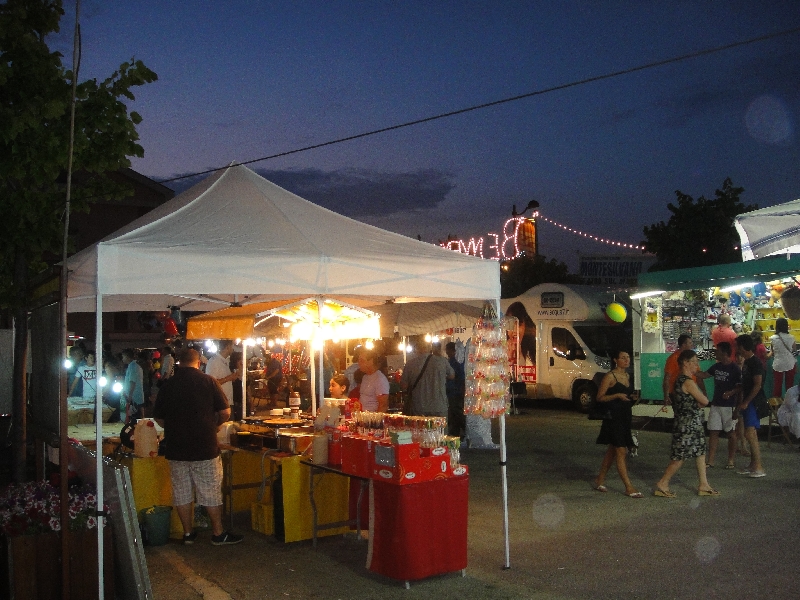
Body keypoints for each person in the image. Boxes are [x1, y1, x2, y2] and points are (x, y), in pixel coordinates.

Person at [153, 348, 243, 545]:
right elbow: (226, 412)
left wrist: (174, 427)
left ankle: (188, 534)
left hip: (176, 448)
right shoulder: (209, 381)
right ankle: (218, 534)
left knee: (182, 491)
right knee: (210, 490)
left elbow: (158, 418)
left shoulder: (168, 385)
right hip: (205, 446)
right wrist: (214, 425)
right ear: (197, 363)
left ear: (179, 363)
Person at [654, 349, 718, 498]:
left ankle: (704, 484)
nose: (697, 365)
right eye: (694, 362)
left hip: (690, 422)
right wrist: (699, 400)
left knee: (700, 452)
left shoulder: (681, 380)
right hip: (687, 424)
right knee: (679, 457)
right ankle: (663, 483)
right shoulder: (687, 382)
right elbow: (704, 401)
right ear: (685, 363)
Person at [593, 350, 641, 498]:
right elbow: (600, 397)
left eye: (628, 358)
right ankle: (628, 486)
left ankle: (599, 479)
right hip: (613, 417)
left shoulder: (627, 376)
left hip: (625, 415)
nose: (627, 360)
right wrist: (617, 395)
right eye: (623, 358)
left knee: (613, 450)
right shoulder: (610, 376)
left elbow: (628, 396)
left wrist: (632, 397)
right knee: (621, 450)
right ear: (616, 360)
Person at [695, 342, 740, 469]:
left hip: (729, 405)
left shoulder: (735, 368)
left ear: (724, 353)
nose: (715, 353)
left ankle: (730, 460)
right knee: (713, 431)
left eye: (717, 351)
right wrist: (693, 370)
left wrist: (731, 393)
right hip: (716, 403)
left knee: (731, 433)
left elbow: (740, 387)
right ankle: (711, 460)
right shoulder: (716, 366)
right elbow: (704, 375)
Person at [733, 334, 766, 478]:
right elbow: (747, 384)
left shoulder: (755, 363)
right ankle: (754, 464)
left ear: (742, 347)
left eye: (737, 346)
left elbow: (757, 385)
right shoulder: (747, 362)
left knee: (750, 434)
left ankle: (758, 466)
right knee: (749, 432)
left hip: (753, 401)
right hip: (748, 400)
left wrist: (746, 401)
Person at [400, 341, 454, 417]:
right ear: (430, 348)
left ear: (416, 350)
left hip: (419, 407)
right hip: (439, 406)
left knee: (421, 428)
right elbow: (452, 375)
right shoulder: (442, 361)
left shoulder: (410, 364)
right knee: (440, 428)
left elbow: (404, 385)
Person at [206, 340, 241, 407]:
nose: (233, 348)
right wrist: (228, 378)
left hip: (228, 401)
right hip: (219, 404)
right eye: (232, 346)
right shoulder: (214, 362)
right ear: (227, 347)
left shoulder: (226, 360)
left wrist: (233, 377)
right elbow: (211, 383)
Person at [662, 334, 694, 405]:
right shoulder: (673, 358)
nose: (692, 345)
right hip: (677, 393)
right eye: (690, 343)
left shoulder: (692, 357)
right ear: (683, 345)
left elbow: (697, 374)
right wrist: (666, 395)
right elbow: (667, 378)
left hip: (691, 391)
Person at [769, 317, 796, 397]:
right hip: (790, 363)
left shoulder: (773, 338)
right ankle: (789, 403)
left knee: (777, 386)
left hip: (778, 364)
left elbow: (772, 351)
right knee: (789, 386)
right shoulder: (791, 337)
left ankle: (777, 406)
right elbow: (794, 350)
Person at [445, 341, 466, 437]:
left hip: (454, 391)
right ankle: (457, 431)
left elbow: (460, 376)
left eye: (447, 350)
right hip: (454, 390)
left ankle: (459, 430)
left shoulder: (454, 362)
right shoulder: (456, 361)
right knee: (455, 412)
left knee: (456, 412)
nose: (446, 352)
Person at [121, 348, 145, 421]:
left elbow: (132, 382)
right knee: (139, 414)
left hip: (135, 396)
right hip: (137, 395)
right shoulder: (135, 366)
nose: (122, 359)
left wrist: (130, 396)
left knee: (136, 416)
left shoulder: (132, 367)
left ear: (127, 357)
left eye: (123, 357)